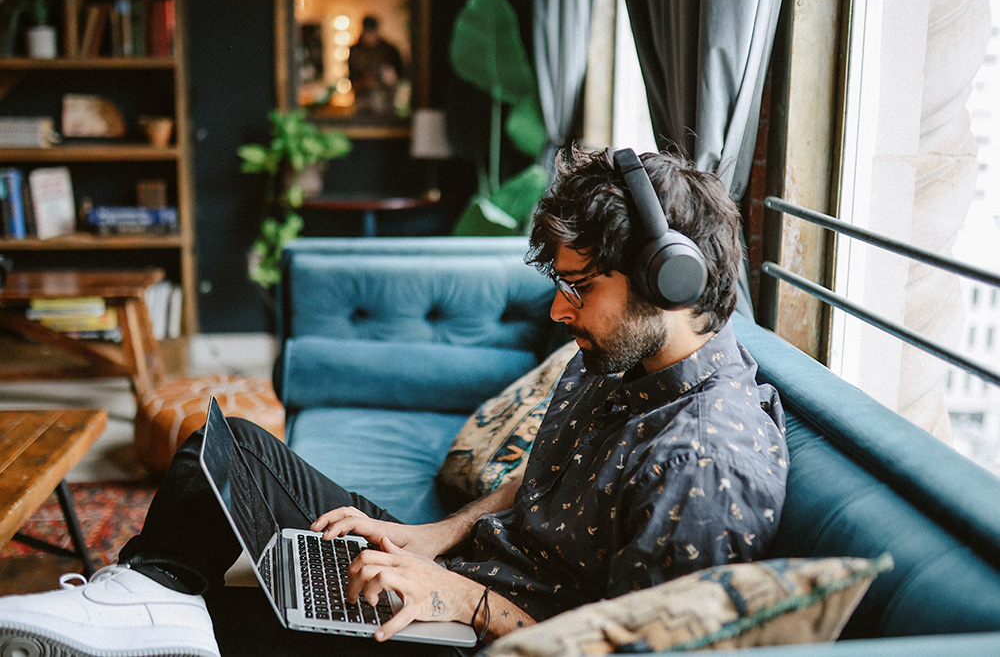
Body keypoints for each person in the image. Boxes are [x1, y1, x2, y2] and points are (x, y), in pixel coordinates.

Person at [0, 147, 788, 657]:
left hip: (482, 631)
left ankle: (154, 616)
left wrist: (463, 600)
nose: (559, 310)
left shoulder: (702, 461)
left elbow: (621, 648)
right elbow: (538, 481)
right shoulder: (617, 358)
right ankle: (146, 596)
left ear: (668, 283)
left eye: (580, 287)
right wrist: (427, 537)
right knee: (229, 448)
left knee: (229, 629)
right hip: (461, 574)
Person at [348, 15, 404, 116]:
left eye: (372, 33)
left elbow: (401, 74)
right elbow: (351, 79)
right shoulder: (355, 51)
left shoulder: (389, 50)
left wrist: (392, 78)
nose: (369, 37)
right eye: (367, 33)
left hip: (386, 103)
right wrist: (365, 81)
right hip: (363, 102)